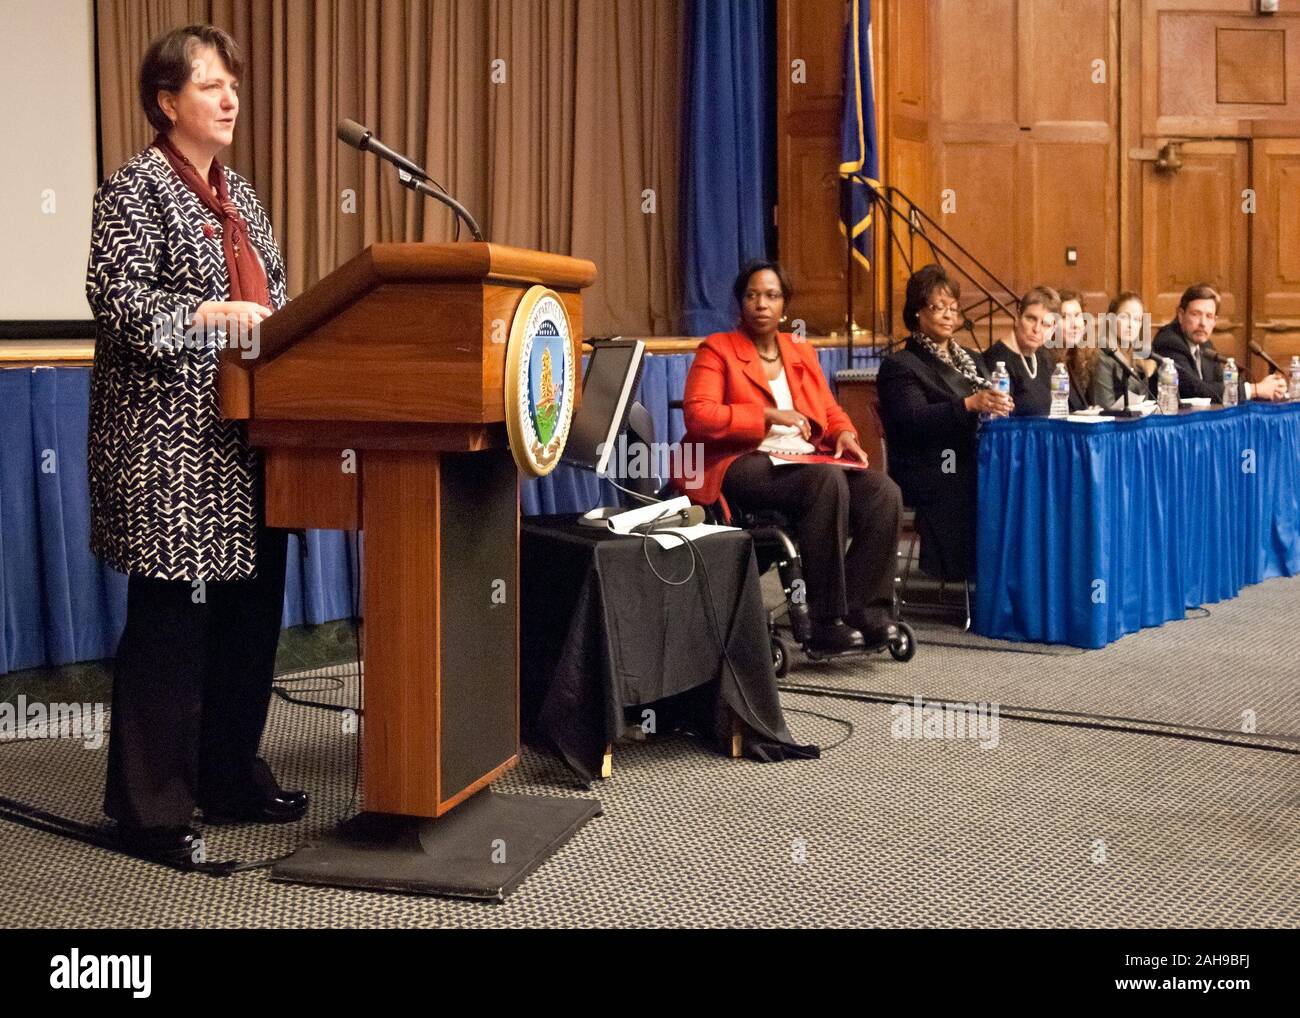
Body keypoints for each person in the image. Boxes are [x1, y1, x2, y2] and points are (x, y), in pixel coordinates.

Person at [86, 25, 307, 864]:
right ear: (166, 101)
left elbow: (278, 299)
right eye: (210, 86)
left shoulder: (241, 197)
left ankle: (225, 773)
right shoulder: (133, 191)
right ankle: (149, 810)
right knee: (171, 626)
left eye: (232, 86)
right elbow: (122, 306)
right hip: (167, 447)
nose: (229, 98)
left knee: (252, 615)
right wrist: (205, 317)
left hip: (253, 437)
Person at [676, 260, 903, 652]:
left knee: (883, 491)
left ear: (785, 306)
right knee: (824, 481)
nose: (761, 304)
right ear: (739, 302)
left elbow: (828, 410)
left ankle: (867, 610)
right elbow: (700, 416)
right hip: (741, 462)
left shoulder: (800, 350)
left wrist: (844, 433)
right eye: (752, 295)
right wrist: (764, 415)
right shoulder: (718, 349)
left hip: (802, 459)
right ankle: (824, 618)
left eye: (771, 295)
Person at [876, 264, 1012, 582]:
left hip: (971, 454)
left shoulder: (971, 359)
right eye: (939, 307)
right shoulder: (900, 365)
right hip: (928, 464)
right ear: (917, 313)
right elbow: (913, 421)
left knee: (1022, 477)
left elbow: (985, 405)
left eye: (954, 307)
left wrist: (998, 405)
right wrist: (969, 404)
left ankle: (1015, 576)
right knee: (973, 479)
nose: (949, 315)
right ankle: (986, 577)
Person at [1151, 283, 1287, 403]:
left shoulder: (1205, 345)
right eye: (1196, 314)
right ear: (1181, 315)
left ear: (1215, 321)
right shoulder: (1169, 343)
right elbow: (1195, 390)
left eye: (1209, 316)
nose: (1203, 323)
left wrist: (1268, 389)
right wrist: (1254, 389)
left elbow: (1221, 384)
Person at [985, 286, 1061, 416]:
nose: (1037, 329)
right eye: (1031, 319)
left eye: (1046, 324)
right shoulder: (996, 361)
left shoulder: (1044, 357)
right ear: (1017, 318)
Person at [1092, 291, 1157, 410]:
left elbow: (1145, 399)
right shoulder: (1103, 354)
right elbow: (1104, 405)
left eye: (1137, 319)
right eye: (1124, 317)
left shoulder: (1140, 353)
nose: (1131, 325)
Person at [1055, 288, 1095, 412]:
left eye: (1078, 316)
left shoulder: (1076, 359)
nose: (1075, 325)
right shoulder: (1046, 363)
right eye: (1065, 317)